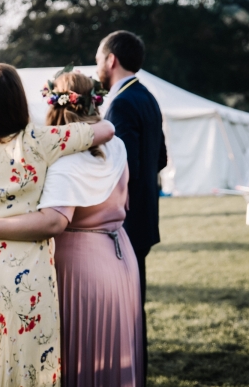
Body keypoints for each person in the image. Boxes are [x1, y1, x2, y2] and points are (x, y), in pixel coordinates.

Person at [0, 64, 115, 386]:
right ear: (20, 101)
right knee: (29, 360)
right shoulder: (40, 141)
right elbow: (106, 131)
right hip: (28, 270)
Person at [96, 30, 168, 381]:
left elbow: (126, 168)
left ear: (111, 60)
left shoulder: (121, 103)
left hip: (124, 227)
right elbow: (162, 158)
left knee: (125, 310)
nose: (97, 64)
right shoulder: (148, 97)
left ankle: (129, 375)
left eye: (98, 57)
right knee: (132, 307)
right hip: (145, 222)